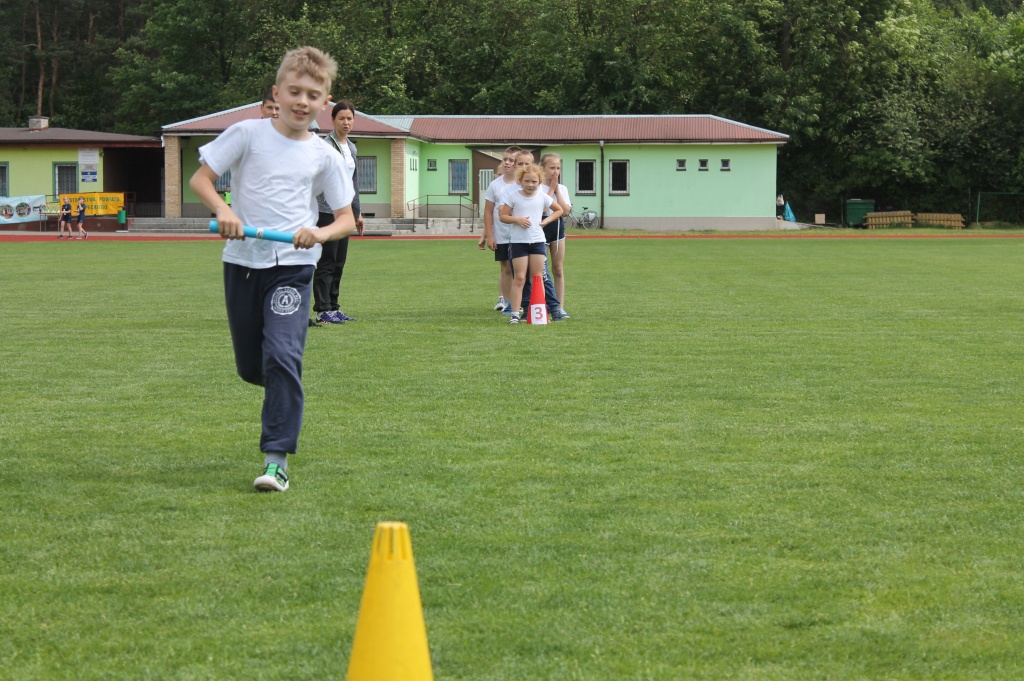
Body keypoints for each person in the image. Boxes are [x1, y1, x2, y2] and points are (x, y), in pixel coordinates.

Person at [188, 46, 356, 493]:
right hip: (243, 264)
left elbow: (345, 219)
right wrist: (225, 211)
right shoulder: (246, 133)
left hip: (293, 268)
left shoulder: (326, 156)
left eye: (313, 94)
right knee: (252, 368)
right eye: (295, 91)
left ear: (326, 100)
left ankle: (276, 461)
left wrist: (318, 235)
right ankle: (284, 387)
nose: (303, 101)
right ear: (277, 93)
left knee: (283, 357)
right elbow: (201, 179)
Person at [312, 100, 364, 324]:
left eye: (349, 118)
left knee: (339, 261)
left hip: (345, 214)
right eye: (341, 118)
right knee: (326, 260)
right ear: (332, 120)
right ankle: (323, 309)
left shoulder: (351, 147)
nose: (346, 122)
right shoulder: (325, 145)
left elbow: (353, 183)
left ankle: (334, 306)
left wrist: (357, 212)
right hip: (326, 211)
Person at [499, 163, 563, 324]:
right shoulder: (513, 196)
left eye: (534, 182)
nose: (530, 185)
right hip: (518, 242)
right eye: (527, 181)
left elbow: (559, 210)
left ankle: (540, 311)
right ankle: (515, 313)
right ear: (520, 180)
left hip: (538, 242)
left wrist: (546, 220)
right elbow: (503, 216)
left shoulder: (542, 197)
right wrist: (517, 219)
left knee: (537, 278)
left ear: (539, 182)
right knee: (519, 278)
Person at [479, 145, 521, 315]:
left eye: (511, 160)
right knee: (506, 268)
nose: (507, 163)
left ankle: (519, 301)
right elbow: (488, 212)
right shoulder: (495, 185)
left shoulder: (523, 183)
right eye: (505, 159)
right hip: (501, 234)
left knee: (519, 269)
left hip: (519, 233)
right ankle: (506, 302)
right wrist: (489, 235)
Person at [540, 153, 570, 317]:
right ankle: (544, 304)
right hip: (542, 228)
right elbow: (543, 210)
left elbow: (565, 211)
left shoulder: (563, 188)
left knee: (558, 269)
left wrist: (557, 189)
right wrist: (551, 188)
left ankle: (559, 305)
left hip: (557, 230)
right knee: (542, 272)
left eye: (558, 168)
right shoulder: (537, 187)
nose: (555, 172)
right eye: (552, 168)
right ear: (543, 169)